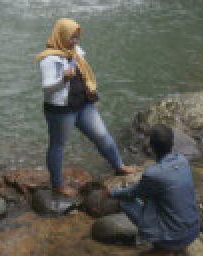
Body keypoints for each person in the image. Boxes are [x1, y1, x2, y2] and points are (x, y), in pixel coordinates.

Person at [37, 18, 136, 196]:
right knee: (58, 145)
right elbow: (46, 87)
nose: (75, 41)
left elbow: (83, 74)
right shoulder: (48, 59)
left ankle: (119, 166)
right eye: (71, 38)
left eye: (77, 37)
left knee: (101, 134)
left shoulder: (75, 52)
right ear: (60, 36)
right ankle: (57, 184)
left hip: (83, 103)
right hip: (61, 109)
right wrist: (63, 79)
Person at [108, 125, 200, 254]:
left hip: (171, 239)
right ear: (172, 143)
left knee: (125, 201)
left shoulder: (153, 174)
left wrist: (112, 192)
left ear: (151, 148)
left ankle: (162, 247)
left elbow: (131, 193)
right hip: (193, 231)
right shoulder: (183, 160)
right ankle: (179, 245)